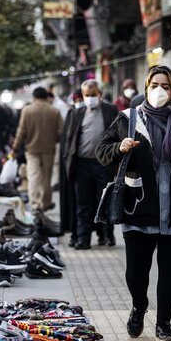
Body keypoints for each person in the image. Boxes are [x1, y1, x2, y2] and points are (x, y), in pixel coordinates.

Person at [95, 65, 171, 341]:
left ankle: (164, 324)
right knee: (136, 271)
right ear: (146, 88)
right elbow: (101, 151)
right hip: (138, 207)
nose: (160, 90)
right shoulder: (128, 118)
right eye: (155, 85)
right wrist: (119, 148)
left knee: (169, 271)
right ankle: (139, 306)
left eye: (166, 86)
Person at [63, 80, 119, 249]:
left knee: (105, 200)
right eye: (87, 95)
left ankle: (107, 235)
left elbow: (117, 134)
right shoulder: (76, 113)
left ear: (100, 94)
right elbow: (70, 139)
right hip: (82, 165)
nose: (90, 98)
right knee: (83, 204)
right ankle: (83, 239)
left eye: (93, 95)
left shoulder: (110, 110)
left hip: (103, 164)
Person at [12, 87, 63, 211]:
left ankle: (35, 204)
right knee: (46, 178)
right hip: (49, 149)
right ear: (46, 97)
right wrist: (53, 140)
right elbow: (61, 132)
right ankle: (45, 203)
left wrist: (15, 148)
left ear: (34, 97)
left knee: (34, 177)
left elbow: (22, 131)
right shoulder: (54, 111)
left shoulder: (27, 110)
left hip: (32, 150)